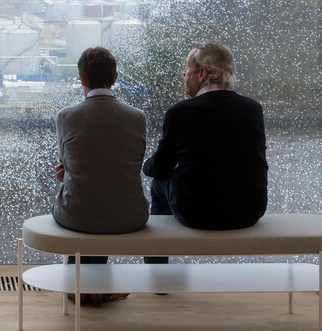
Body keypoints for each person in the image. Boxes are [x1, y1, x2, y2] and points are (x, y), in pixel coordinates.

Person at [141, 43, 267, 264]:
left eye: (187, 69)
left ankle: (157, 271)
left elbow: (160, 168)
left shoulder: (180, 112)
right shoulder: (253, 109)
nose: (183, 74)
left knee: (158, 184)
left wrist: (146, 164)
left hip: (198, 214)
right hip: (250, 211)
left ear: (202, 73)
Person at [51, 46, 149, 306]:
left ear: (81, 78)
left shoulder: (66, 117)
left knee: (86, 205)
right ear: (115, 77)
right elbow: (128, 167)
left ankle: (80, 287)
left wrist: (71, 173)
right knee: (108, 197)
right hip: (129, 215)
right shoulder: (137, 117)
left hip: (77, 214)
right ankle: (93, 288)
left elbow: (68, 161)